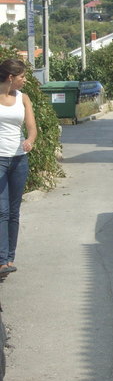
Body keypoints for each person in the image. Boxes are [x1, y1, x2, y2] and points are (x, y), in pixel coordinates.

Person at [0, 59, 37, 277]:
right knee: (1, 211)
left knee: (14, 212)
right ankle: (2, 260)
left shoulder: (23, 99)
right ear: (10, 77)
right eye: (22, 76)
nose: (25, 80)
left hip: (19, 160)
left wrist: (30, 140)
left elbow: (31, 128)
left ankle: (9, 258)